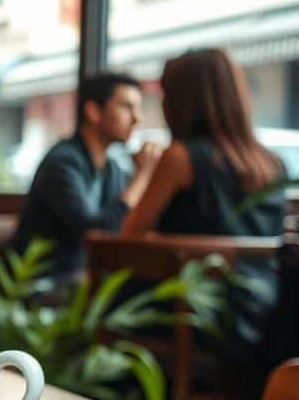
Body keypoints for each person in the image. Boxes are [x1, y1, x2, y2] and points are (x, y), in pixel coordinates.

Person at [121, 48, 287, 364]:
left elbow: (129, 238)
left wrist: (142, 173)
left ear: (183, 101)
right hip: (265, 318)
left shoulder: (181, 157)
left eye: (167, 94)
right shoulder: (272, 164)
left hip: (200, 319)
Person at [10, 72, 161, 279]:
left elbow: (124, 225)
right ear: (93, 112)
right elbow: (95, 233)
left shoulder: (113, 169)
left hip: (82, 280)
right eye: (126, 107)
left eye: (138, 108)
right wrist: (143, 175)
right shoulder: (62, 162)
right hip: (42, 284)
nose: (138, 118)